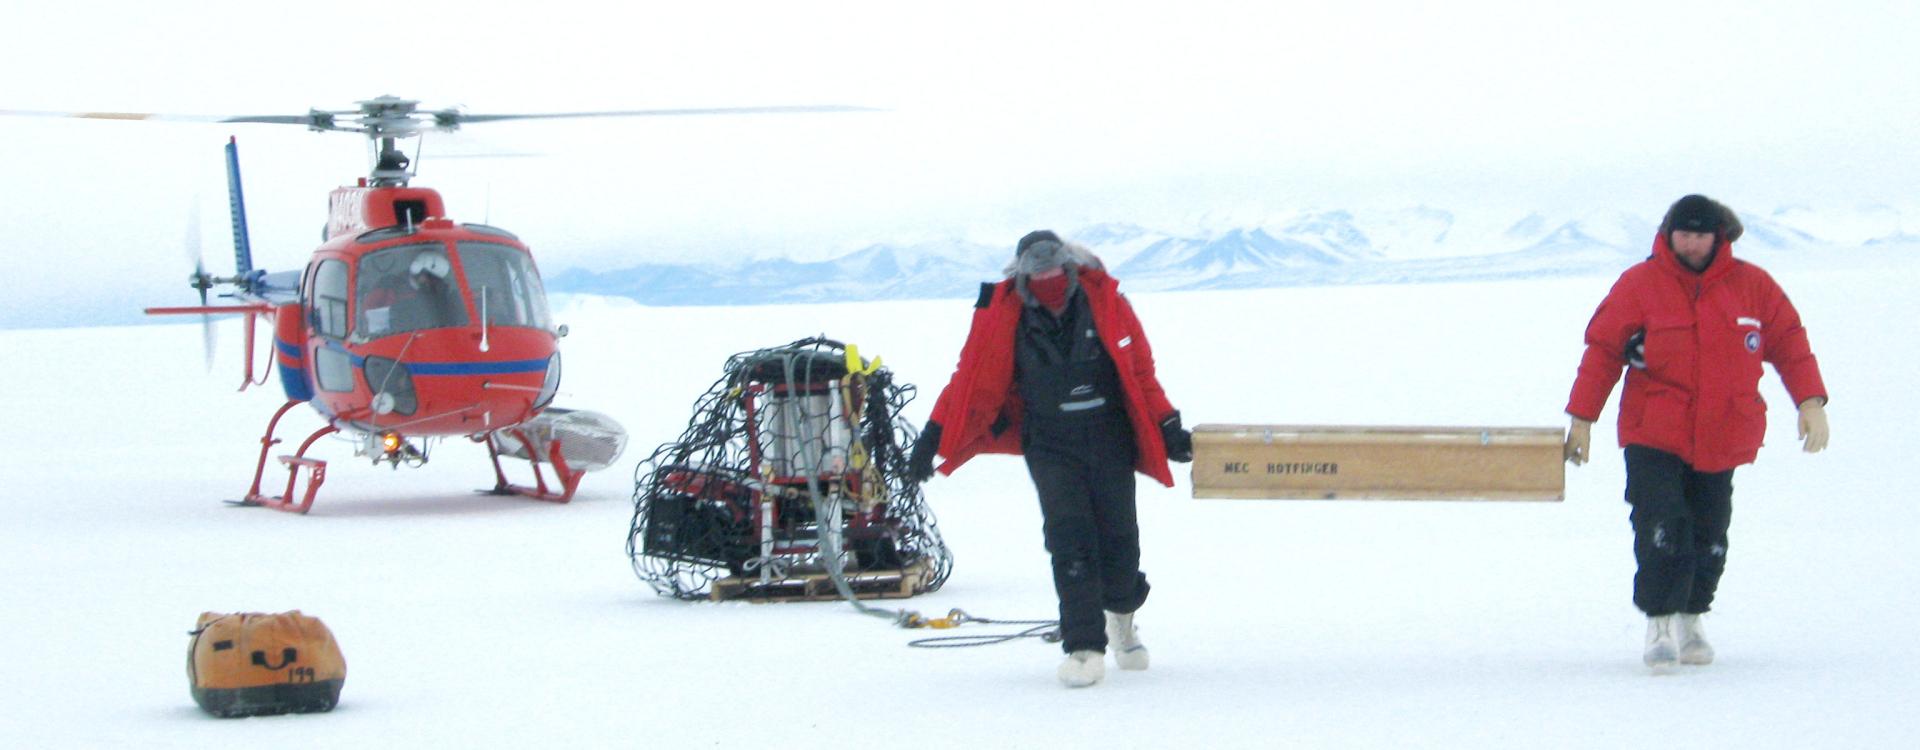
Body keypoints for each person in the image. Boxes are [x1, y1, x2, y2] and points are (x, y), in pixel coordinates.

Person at [909, 230, 1192, 688]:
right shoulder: (1001, 312)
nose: (1047, 277)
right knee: (1070, 539)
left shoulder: (1106, 299)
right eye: (1036, 270)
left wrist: (1168, 427)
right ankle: (1084, 646)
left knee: (1120, 543)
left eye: (1054, 268)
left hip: (1109, 437)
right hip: (1050, 444)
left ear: (1070, 265)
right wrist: (932, 437)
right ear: (1020, 272)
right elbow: (969, 378)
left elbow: (1140, 371)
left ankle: (1121, 618)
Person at [1562, 194, 1829, 671]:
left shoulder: (1752, 286)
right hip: (1654, 431)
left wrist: (1811, 402)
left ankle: (1691, 618)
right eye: (1682, 233)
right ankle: (1660, 622)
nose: (1690, 242)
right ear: (1668, 233)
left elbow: (1790, 342)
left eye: (1700, 233)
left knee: (1710, 533)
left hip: (1723, 432)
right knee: (1663, 524)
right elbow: (1602, 351)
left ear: (1717, 236)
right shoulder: (1640, 285)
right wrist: (1583, 418)